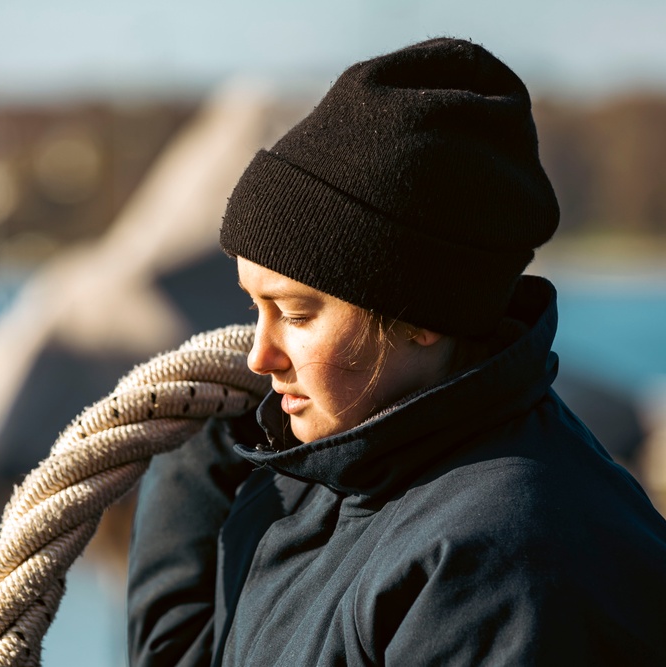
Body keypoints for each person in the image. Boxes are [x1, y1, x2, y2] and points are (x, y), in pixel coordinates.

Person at [127, 37, 666, 666]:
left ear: (422, 315)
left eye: (296, 313)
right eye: (255, 307)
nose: (259, 357)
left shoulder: (506, 567)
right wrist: (201, 447)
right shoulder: (333, 465)